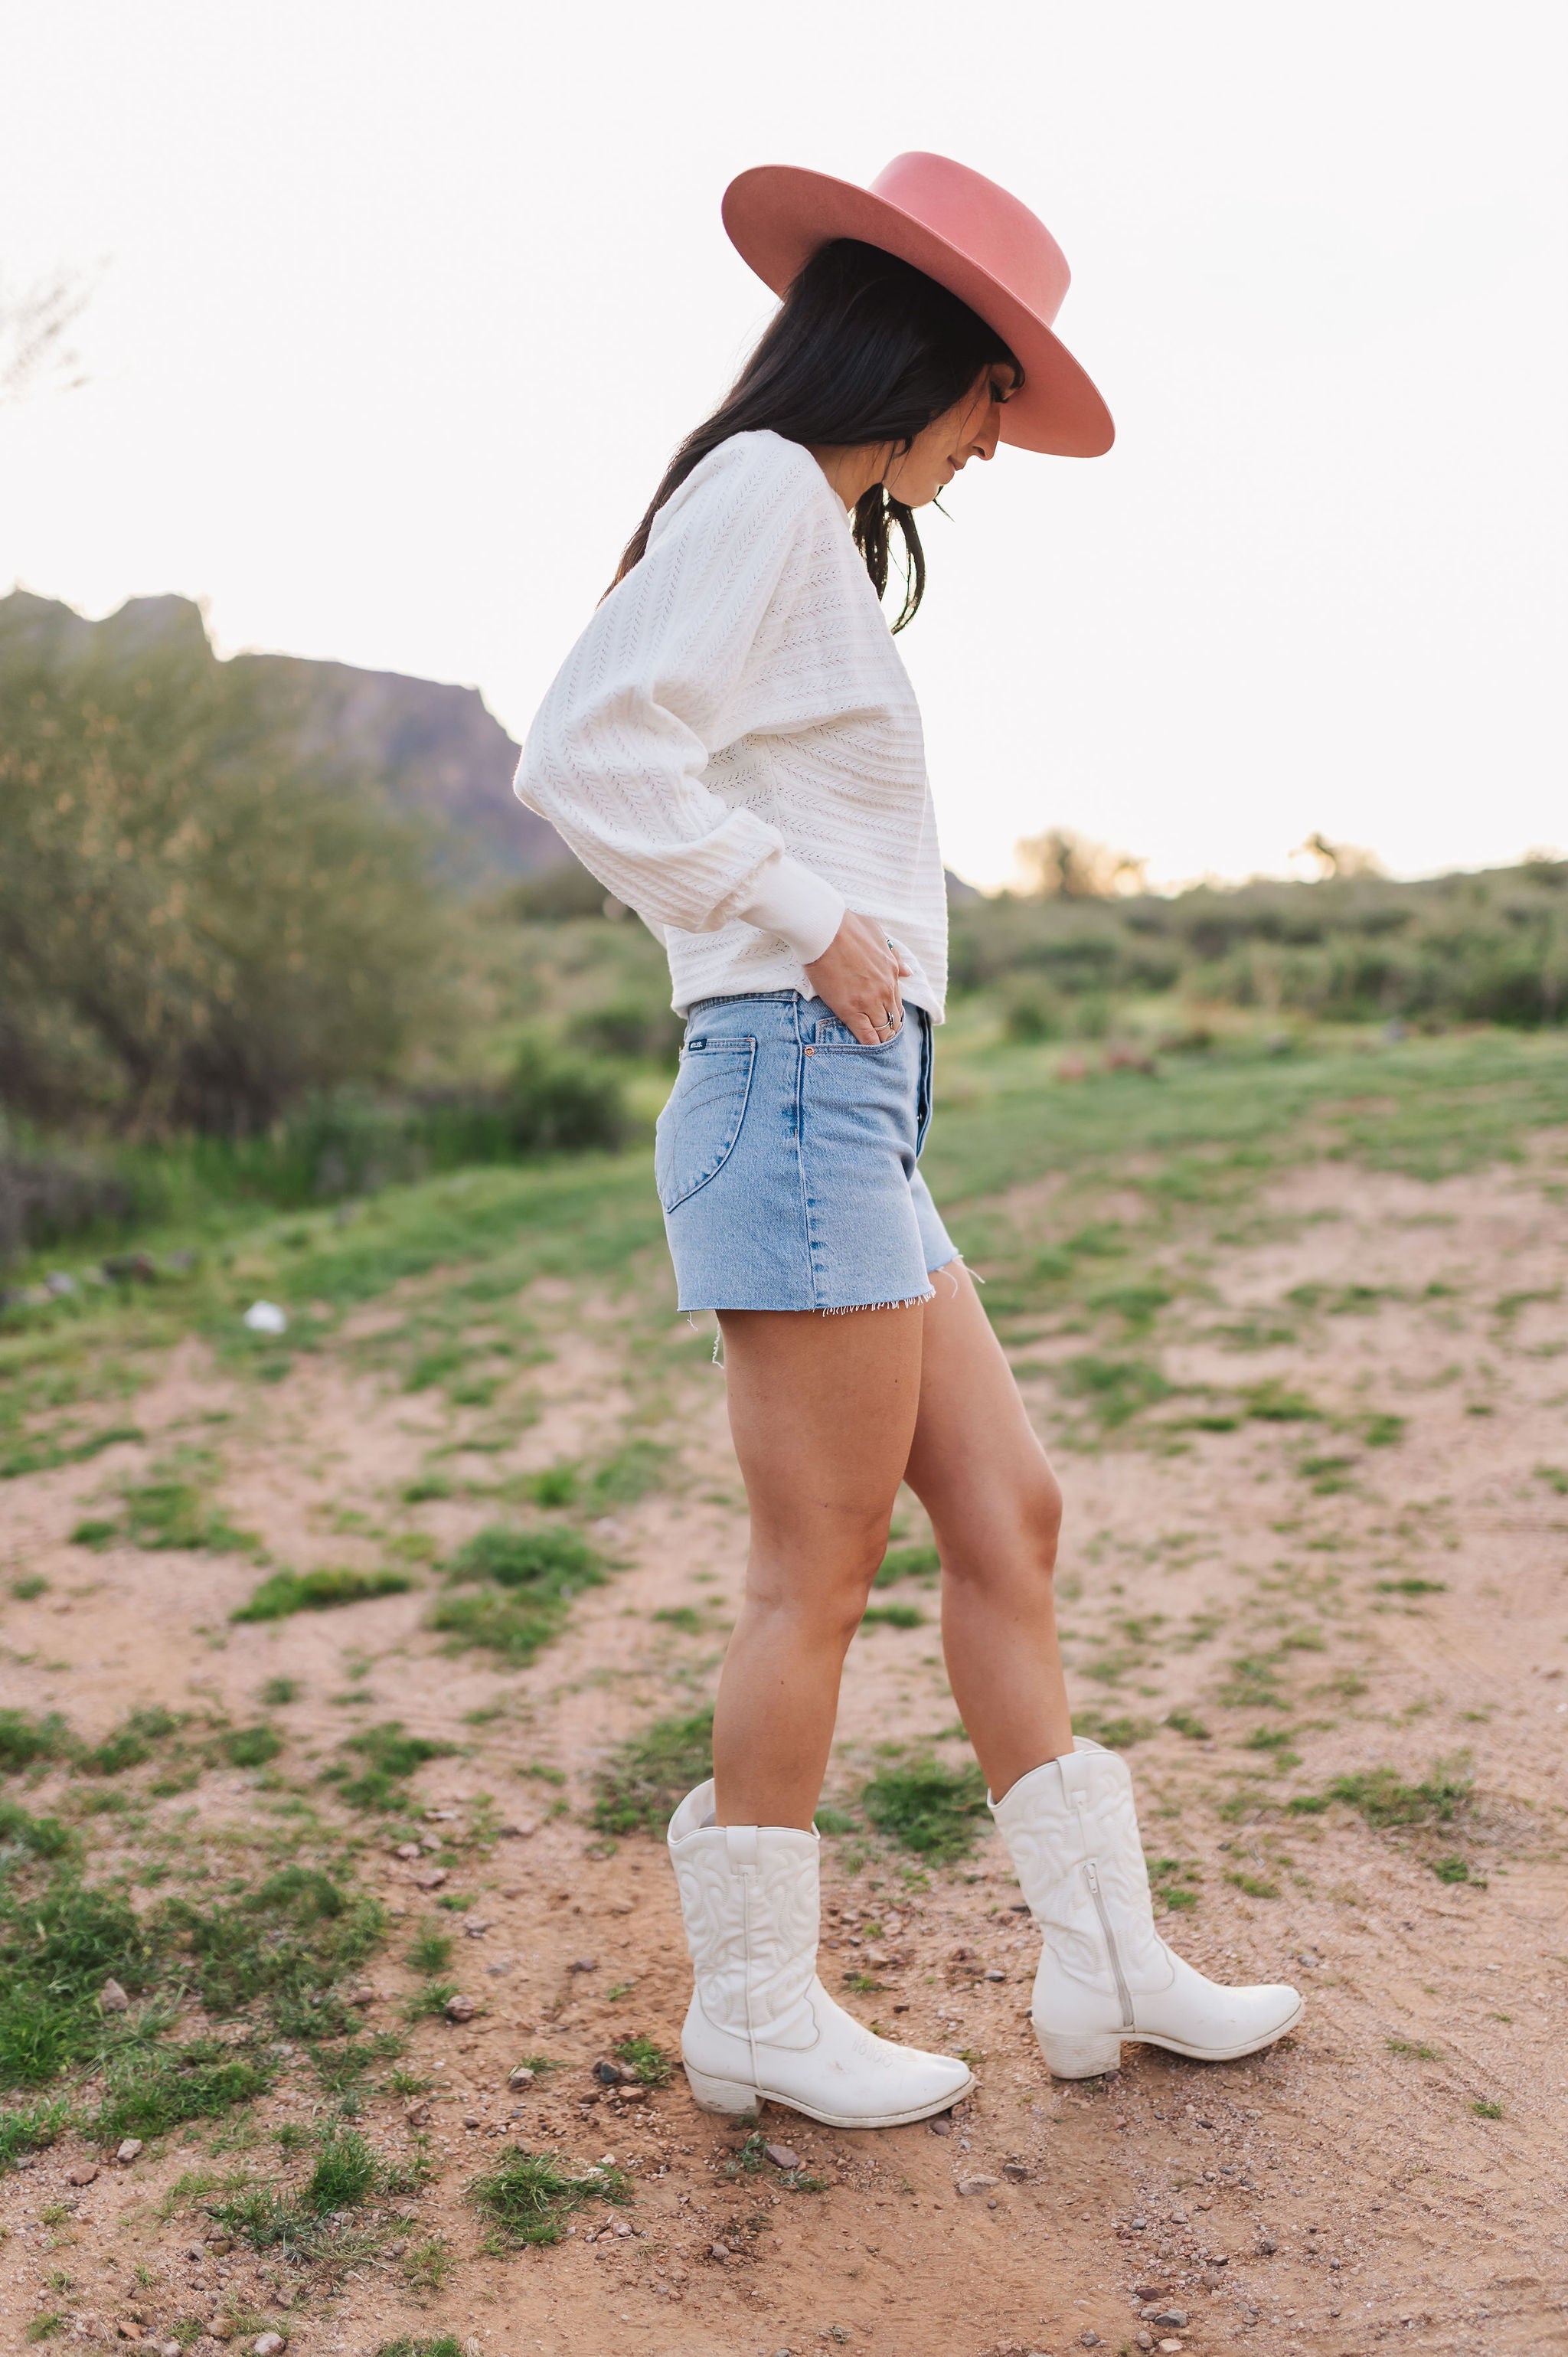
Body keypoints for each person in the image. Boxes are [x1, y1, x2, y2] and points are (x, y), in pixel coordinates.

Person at [518, 152, 1302, 2127]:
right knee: (819, 1560)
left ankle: (1103, 1966)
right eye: (996, 399)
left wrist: (807, 933)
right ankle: (758, 2014)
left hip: (846, 1099)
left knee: (1010, 1512)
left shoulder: (801, 519)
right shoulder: (772, 488)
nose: (992, 445)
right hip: (797, 1074)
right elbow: (586, 747)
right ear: (933, 358)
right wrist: (799, 916)